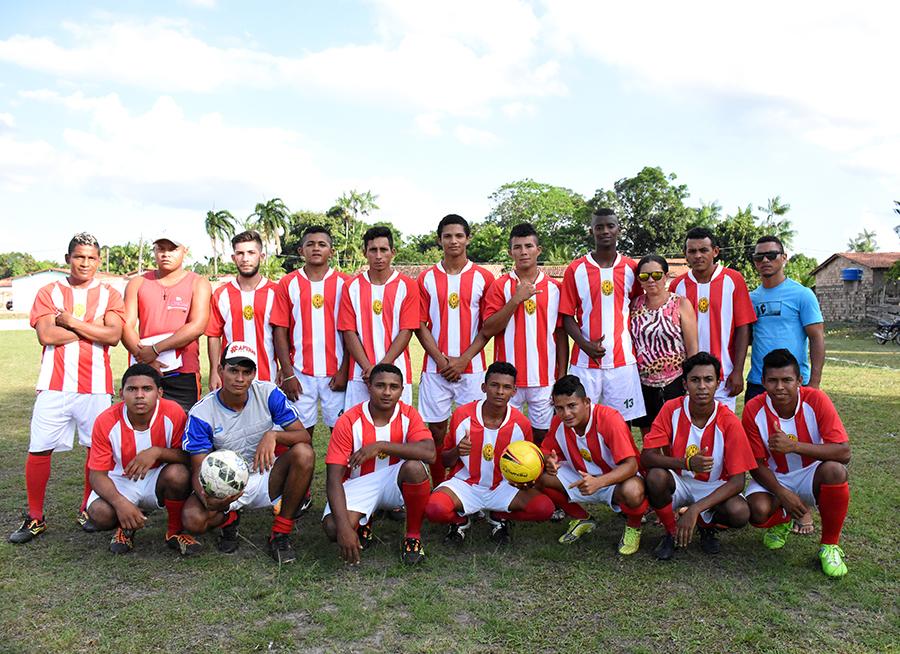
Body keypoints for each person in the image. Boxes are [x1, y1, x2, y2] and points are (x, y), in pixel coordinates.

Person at [10, 232, 125, 544]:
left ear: (99, 261)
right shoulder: (49, 291)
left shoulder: (111, 295)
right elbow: (47, 336)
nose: (85, 263)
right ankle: (35, 517)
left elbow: (114, 336)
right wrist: (94, 327)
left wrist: (71, 322)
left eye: (91, 258)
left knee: (96, 450)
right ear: (67, 259)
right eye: (79, 257)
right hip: (54, 384)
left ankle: (87, 509)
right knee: (39, 447)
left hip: (96, 386)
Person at [180, 342, 315, 564]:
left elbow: (304, 437)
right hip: (226, 484)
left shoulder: (268, 393)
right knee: (193, 520)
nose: (240, 378)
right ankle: (229, 519)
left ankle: (280, 534)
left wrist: (274, 435)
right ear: (220, 370)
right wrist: (208, 500)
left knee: (304, 454)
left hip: (265, 475)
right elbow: (199, 468)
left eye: (246, 372)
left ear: (254, 374)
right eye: (233, 371)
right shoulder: (202, 413)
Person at [743, 349, 851, 577]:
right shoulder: (753, 409)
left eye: (787, 380)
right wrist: (782, 494)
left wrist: (794, 446)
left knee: (835, 471)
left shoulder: (816, 400)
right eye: (772, 381)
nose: (779, 387)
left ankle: (830, 546)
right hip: (774, 476)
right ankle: (782, 519)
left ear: (800, 380)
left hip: (810, 472)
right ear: (762, 382)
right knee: (756, 510)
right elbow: (756, 464)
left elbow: (843, 452)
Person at [641, 352, 756, 560]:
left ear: (718, 383)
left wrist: (695, 509)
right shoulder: (671, 409)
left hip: (714, 486)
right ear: (685, 384)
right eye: (695, 380)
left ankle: (705, 525)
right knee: (656, 476)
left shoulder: (729, 421)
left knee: (740, 513)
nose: (702, 386)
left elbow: (738, 482)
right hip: (679, 482)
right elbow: (647, 457)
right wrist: (686, 463)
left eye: (708, 379)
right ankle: (671, 531)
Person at [424, 362, 555, 546]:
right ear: (484, 387)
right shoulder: (462, 415)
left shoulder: (521, 423)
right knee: (434, 509)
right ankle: (460, 521)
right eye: (494, 385)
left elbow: (529, 463)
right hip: (465, 484)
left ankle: (498, 515)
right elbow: (445, 461)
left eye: (506, 387)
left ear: (514, 391)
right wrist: (457, 451)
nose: (500, 391)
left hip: (504, 486)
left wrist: (535, 472)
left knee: (543, 509)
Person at [747, 235, 825, 535]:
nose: (765, 261)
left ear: (784, 257)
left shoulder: (802, 294)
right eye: (759, 257)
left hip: (794, 386)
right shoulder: (751, 298)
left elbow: (817, 337)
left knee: (796, 448)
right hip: (758, 382)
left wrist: (814, 383)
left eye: (771, 255)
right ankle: (780, 508)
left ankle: (802, 509)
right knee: (764, 452)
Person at [322, 363, 435, 565]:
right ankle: (366, 520)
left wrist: (381, 446)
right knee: (333, 528)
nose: (387, 392)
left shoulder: (409, 415)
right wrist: (345, 530)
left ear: (402, 390)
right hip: (359, 484)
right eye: (380, 385)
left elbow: (430, 453)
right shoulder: (348, 421)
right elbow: (333, 479)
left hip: (395, 482)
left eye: (394, 387)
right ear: (369, 387)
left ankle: (413, 537)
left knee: (416, 468)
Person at [86, 364, 199, 556]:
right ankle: (126, 528)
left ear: (159, 392)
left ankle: (174, 532)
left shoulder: (173, 413)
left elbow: (188, 457)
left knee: (179, 473)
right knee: (99, 514)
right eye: (132, 389)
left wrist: (157, 452)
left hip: (158, 477)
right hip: (120, 480)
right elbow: (96, 475)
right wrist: (120, 503)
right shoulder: (105, 421)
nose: (139, 395)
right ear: (121, 393)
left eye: (147, 389)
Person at [416, 214, 495, 486]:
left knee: (471, 431)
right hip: (434, 370)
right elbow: (420, 324)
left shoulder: (483, 277)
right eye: (447, 236)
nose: (453, 241)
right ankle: (439, 485)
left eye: (459, 235)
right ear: (439, 240)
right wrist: (440, 360)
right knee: (436, 432)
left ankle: (469, 484)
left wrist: (463, 360)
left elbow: (488, 326)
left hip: (472, 369)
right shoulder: (426, 278)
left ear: (468, 238)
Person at [539, 375, 648, 555]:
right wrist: (548, 461)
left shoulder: (609, 419)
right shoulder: (559, 421)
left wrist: (599, 482)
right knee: (538, 475)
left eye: (572, 406)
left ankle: (633, 526)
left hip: (615, 479)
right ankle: (581, 518)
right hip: (581, 478)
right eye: (559, 408)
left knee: (633, 491)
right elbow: (544, 451)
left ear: (587, 402)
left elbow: (632, 465)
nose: (566, 413)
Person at [481, 222, 568, 442]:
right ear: (510, 252)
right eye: (517, 247)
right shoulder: (500, 286)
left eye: (528, 246)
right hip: (507, 380)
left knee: (544, 435)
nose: (523, 252)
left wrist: (561, 376)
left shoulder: (555, 288)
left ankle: (537, 475)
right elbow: (489, 328)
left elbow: (560, 335)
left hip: (544, 377)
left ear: (538, 250)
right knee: (505, 434)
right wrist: (516, 299)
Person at [560, 208, 645, 422]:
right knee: (582, 421)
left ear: (619, 229)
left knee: (620, 422)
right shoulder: (576, 269)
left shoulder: (631, 268)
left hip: (623, 362)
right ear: (592, 231)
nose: (605, 231)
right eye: (599, 227)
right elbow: (567, 316)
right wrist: (584, 344)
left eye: (610, 226)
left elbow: (637, 306)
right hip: (584, 363)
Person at [272, 226, 349, 439]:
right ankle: (303, 473)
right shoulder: (288, 283)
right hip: (299, 373)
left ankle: (342, 474)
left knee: (342, 434)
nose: (316, 248)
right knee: (300, 436)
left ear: (331, 251)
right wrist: (287, 373)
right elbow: (280, 330)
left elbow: (352, 332)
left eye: (322, 244)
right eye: (310, 244)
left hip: (336, 373)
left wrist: (345, 370)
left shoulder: (346, 283)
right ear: (300, 250)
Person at [123, 234, 211, 413]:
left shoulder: (198, 283)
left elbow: (197, 326)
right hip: (144, 371)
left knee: (183, 428)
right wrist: (145, 358)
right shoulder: (137, 283)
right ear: (154, 251)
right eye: (161, 249)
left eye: (172, 249)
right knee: (143, 429)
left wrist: (155, 350)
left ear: (185, 251)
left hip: (183, 371)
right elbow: (125, 325)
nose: (166, 254)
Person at [670, 227, 755, 411]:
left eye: (703, 250)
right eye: (692, 251)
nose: (698, 255)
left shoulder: (733, 280)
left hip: (724, 376)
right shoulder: (677, 285)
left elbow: (743, 327)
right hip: (687, 378)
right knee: (692, 432)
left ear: (715, 252)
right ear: (685, 254)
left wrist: (738, 371)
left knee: (723, 431)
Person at [339, 226, 419, 409]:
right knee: (359, 431)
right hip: (360, 374)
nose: (378, 255)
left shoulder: (408, 286)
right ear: (365, 252)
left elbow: (407, 331)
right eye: (373, 250)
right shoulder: (350, 287)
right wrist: (369, 368)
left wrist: (381, 369)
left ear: (393, 252)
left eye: (383, 250)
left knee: (397, 431)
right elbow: (349, 332)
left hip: (397, 373)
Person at [630, 254, 699, 433]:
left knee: (675, 433)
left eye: (657, 275)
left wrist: (691, 382)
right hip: (643, 382)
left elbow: (692, 348)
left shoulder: (680, 304)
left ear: (666, 276)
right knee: (649, 435)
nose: (651, 280)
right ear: (639, 280)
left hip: (675, 381)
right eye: (645, 276)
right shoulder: (633, 306)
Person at [206, 230, 280, 389]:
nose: (245, 258)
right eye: (240, 253)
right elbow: (213, 335)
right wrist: (213, 371)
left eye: (251, 253)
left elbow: (284, 336)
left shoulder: (276, 292)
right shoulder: (221, 294)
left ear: (262, 256)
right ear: (234, 258)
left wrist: (285, 370)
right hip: (231, 379)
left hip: (268, 377)